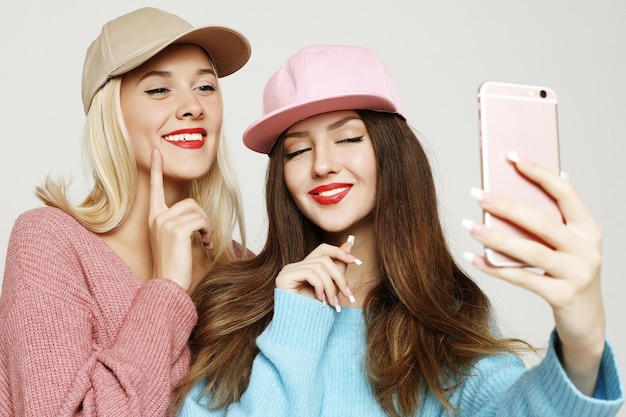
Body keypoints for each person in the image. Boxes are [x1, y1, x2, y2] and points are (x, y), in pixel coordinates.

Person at [176, 44, 624, 416]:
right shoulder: (232, 303)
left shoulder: (447, 315)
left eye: (349, 138)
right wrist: (295, 324)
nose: (323, 164)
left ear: (392, 151)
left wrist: (582, 341)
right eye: (297, 151)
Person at [0, 7, 251, 417]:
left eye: (206, 87)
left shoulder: (241, 266)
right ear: (111, 114)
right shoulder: (50, 241)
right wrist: (167, 290)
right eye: (158, 90)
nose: (192, 106)